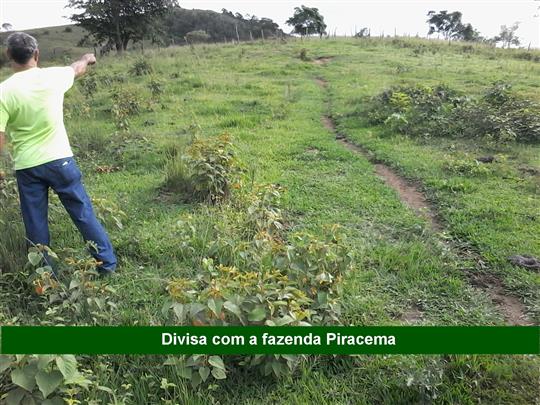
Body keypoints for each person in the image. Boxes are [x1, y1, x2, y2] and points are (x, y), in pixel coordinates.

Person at [0, 32, 117, 274]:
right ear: (36, 54)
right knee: (82, 212)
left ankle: (46, 278)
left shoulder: (3, 91)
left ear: (8, 55)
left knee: (35, 224)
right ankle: (106, 265)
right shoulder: (55, 76)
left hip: (27, 167)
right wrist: (86, 58)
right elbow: (76, 68)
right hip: (61, 161)